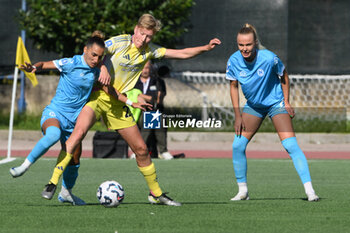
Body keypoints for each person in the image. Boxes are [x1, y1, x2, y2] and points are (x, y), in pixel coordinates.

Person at [42, 13, 221, 206]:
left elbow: (181, 53)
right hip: (98, 97)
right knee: (77, 135)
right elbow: (97, 51)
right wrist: (102, 68)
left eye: (149, 36)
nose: (144, 39)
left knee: (142, 150)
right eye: (142, 34)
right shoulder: (120, 42)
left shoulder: (150, 51)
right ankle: (52, 182)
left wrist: (205, 48)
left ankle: (156, 194)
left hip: (120, 104)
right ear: (136, 29)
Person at [9, 31, 106, 205]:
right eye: (93, 55)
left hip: (74, 122)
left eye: (100, 57)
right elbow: (45, 64)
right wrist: (33, 67)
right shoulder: (71, 63)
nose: (96, 60)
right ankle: (24, 167)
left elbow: (107, 86)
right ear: (85, 50)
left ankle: (66, 192)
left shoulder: (97, 71)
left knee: (75, 159)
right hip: (55, 113)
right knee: (53, 135)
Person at [226, 23, 319, 202]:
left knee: (291, 146)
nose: (244, 49)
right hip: (253, 106)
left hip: (275, 103)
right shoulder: (233, 60)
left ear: (255, 43)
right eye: (241, 45)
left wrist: (286, 101)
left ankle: (310, 191)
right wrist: (238, 115)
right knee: (237, 146)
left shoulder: (269, 58)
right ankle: (243, 191)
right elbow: (233, 86)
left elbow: (283, 76)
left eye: (248, 45)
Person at [131, 60, 173, 160]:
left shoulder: (157, 81)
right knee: (148, 120)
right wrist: (142, 97)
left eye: (147, 68)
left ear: (151, 69)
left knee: (155, 118)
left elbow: (156, 99)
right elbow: (131, 96)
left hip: (155, 110)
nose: (145, 70)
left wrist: (140, 96)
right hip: (138, 111)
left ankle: (163, 151)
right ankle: (139, 150)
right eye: (143, 68)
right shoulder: (134, 82)